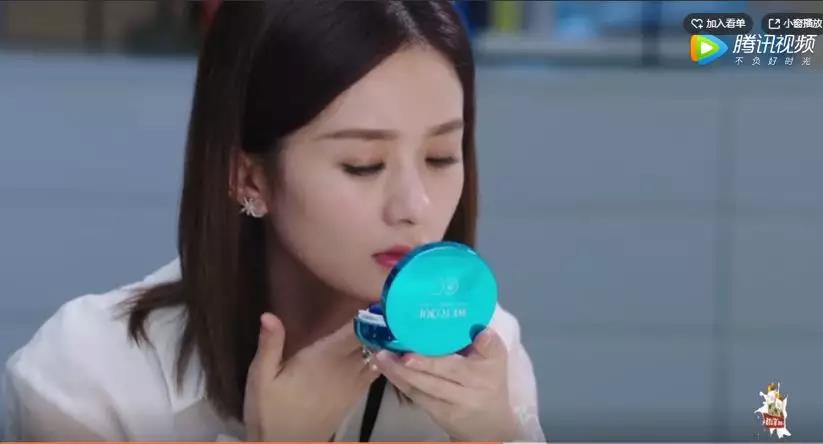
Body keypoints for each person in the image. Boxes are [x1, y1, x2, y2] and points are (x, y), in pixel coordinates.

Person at [3, 1, 546, 441]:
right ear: (249, 178)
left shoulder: (485, 353)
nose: (415, 205)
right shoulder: (86, 379)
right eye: (363, 164)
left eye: (441, 157)